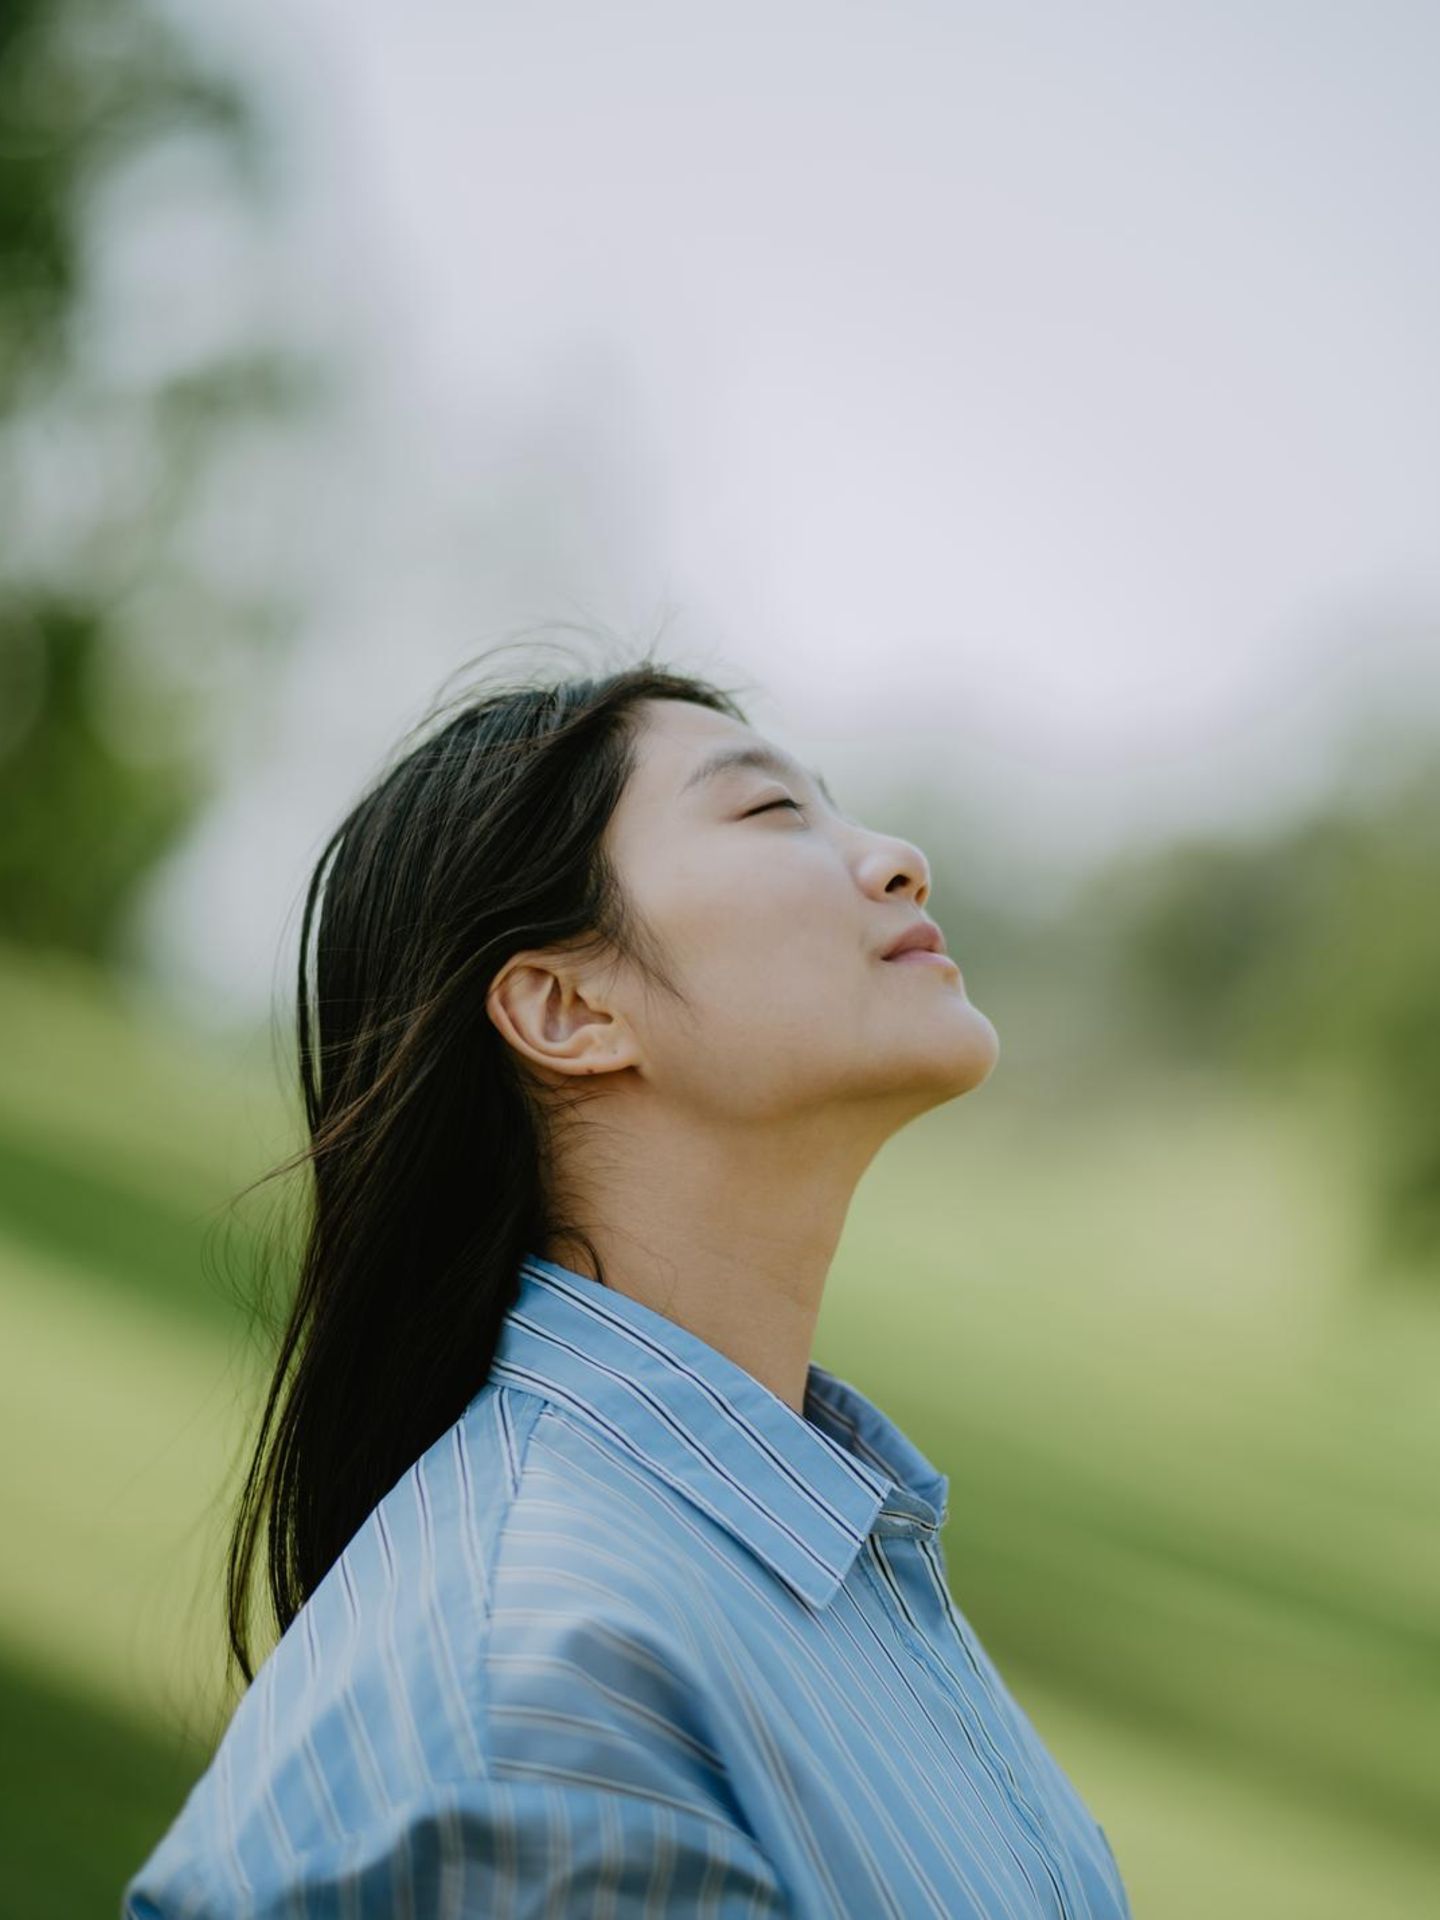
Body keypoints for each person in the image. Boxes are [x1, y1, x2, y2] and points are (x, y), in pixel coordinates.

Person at [122, 647, 1133, 1917]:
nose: (895, 855)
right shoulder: (543, 1710)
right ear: (564, 1010)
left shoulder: (802, 1545)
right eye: (773, 811)